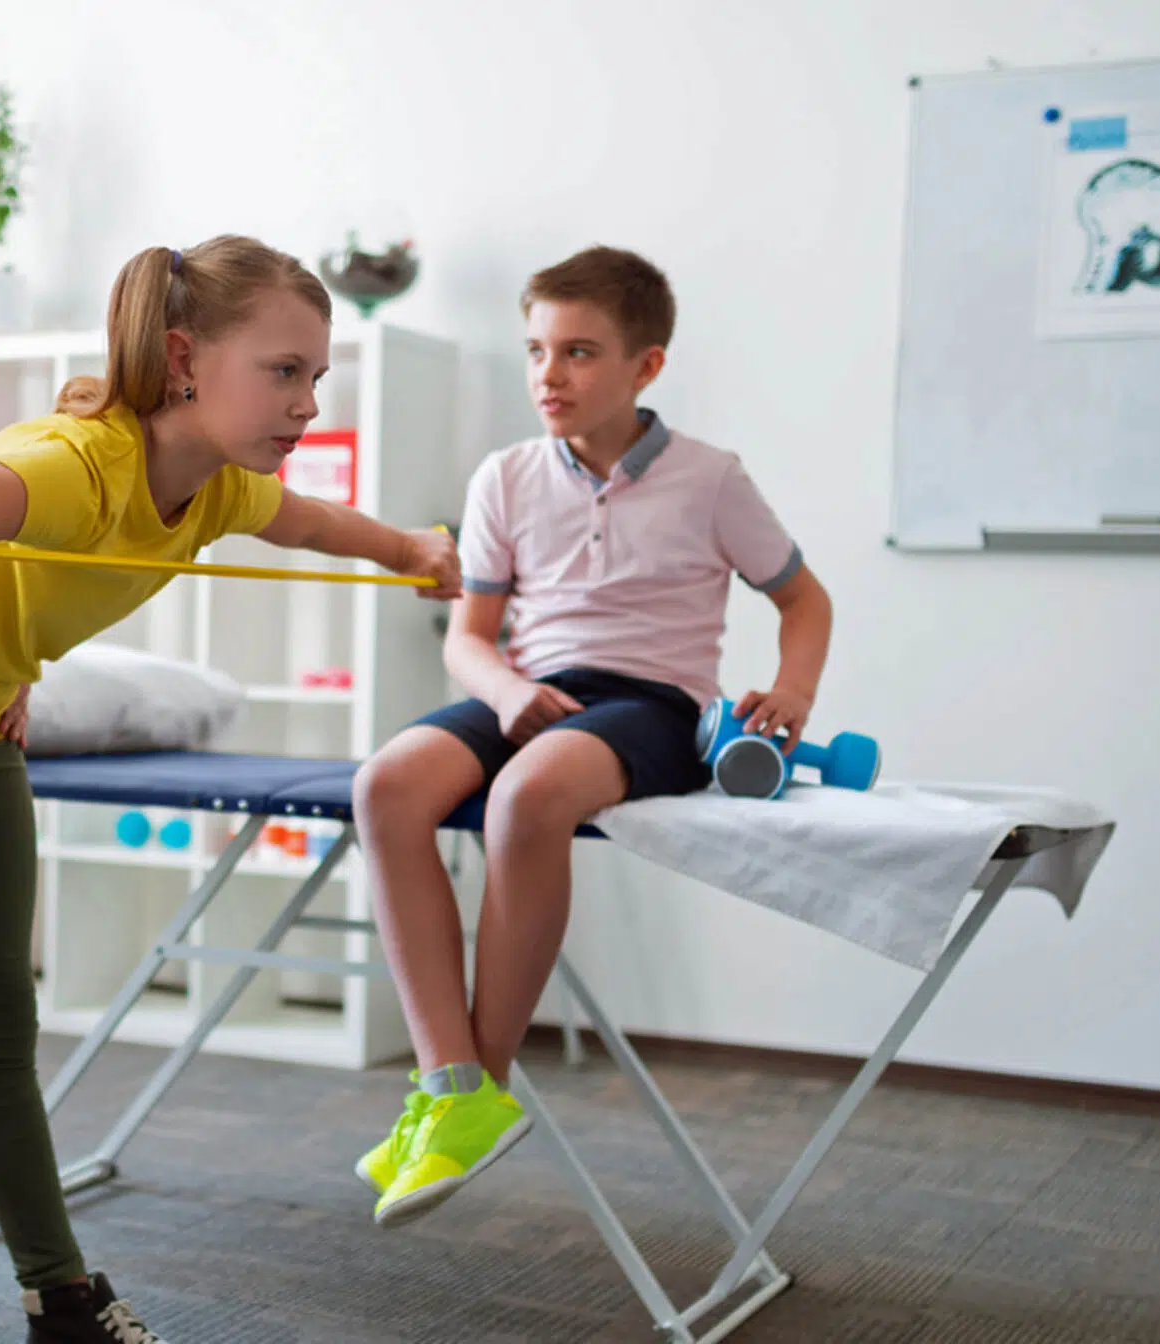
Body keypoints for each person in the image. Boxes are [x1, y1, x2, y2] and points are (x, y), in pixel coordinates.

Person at [0, 234, 463, 1343]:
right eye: (284, 372)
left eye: (316, 377)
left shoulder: (220, 489)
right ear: (184, 356)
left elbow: (321, 524)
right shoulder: (72, 463)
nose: (306, 403)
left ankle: (59, 1296)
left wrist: (415, 548)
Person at [348, 245, 833, 1228]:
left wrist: (791, 689)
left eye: (577, 352)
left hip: (652, 704)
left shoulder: (711, 480)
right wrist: (508, 689)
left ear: (644, 366)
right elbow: (469, 640)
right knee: (385, 786)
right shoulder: (507, 476)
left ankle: (467, 1096)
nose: (547, 375)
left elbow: (802, 599)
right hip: (528, 690)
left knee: (528, 796)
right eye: (535, 351)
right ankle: (456, 1090)